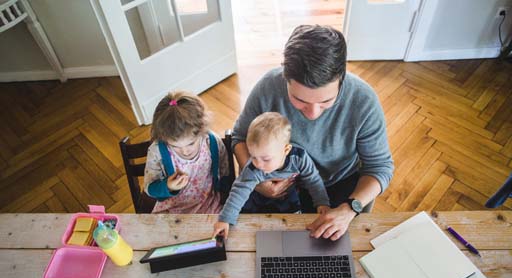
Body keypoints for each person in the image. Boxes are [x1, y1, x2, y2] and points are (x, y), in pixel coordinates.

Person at [231, 25, 394, 241]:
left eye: (326, 101)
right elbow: (239, 137)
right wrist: (258, 181)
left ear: (341, 79)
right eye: (299, 100)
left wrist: (350, 208)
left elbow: (380, 167)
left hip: (339, 189)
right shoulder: (268, 87)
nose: (313, 113)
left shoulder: (363, 101)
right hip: (279, 185)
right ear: (285, 78)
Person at [213, 112, 330, 239]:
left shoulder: (299, 158)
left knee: (294, 227)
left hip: (287, 196)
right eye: (253, 156)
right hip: (254, 198)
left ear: (286, 150)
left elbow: (313, 179)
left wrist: (322, 202)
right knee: (247, 225)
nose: (258, 164)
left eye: (266, 159)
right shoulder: (253, 167)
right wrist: (225, 219)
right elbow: (239, 191)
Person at [143, 91, 230, 214]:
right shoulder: (157, 151)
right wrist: (168, 186)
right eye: (174, 146)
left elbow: (225, 173)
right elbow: (149, 188)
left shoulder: (212, 142)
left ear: (202, 131)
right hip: (171, 209)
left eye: (191, 143)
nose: (185, 151)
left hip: (209, 205)